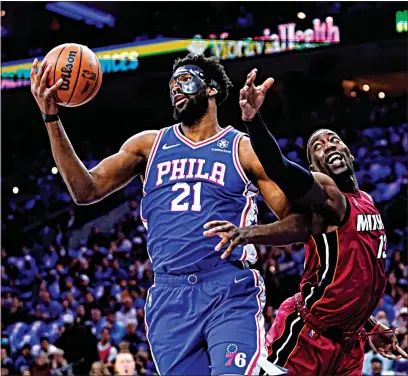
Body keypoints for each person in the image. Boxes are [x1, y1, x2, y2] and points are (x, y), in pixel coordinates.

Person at [30, 53, 304, 375]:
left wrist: (249, 233)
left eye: (186, 80)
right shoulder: (148, 145)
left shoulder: (242, 148)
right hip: (168, 296)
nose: (176, 88)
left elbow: (297, 222)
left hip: (227, 288)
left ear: (212, 89)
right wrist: (52, 120)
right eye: (173, 83)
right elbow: (85, 190)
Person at [204, 68, 408, 375]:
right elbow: (281, 168)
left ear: (349, 153)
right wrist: (253, 121)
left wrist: (371, 325)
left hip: (350, 344)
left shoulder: (366, 201)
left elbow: (349, 281)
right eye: (318, 147)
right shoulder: (329, 196)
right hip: (307, 337)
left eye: (333, 140)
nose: (328, 146)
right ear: (315, 168)